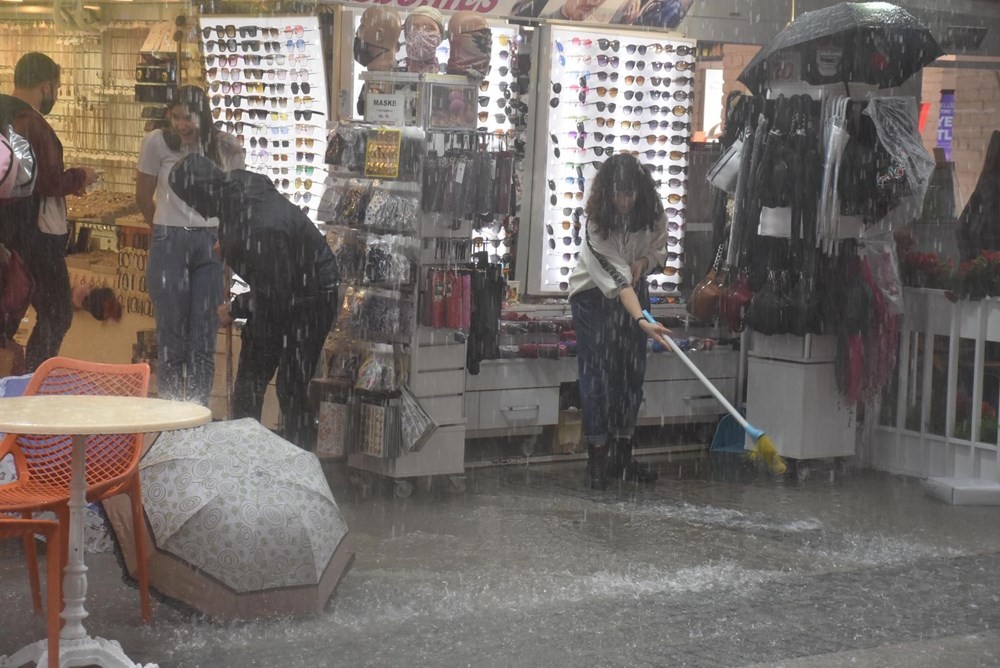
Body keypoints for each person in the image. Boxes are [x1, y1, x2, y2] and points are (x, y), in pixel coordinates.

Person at [168, 154, 340, 451]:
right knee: (249, 380)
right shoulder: (239, 182)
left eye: (189, 200)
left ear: (199, 196)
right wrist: (231, 240)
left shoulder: (259, 229)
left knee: (290, 386)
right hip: (282, 288)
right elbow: (248, 218)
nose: (191, 208)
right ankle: (243, 454)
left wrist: (234, 308)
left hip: (310, 297)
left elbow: (279, 292)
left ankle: (298, 460)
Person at [568, 154, 673, 490]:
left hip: (633, 294)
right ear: (607, 193)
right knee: (596, 376)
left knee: (630, 375)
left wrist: (644, 260)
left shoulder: (652, 214)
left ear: (639, 191)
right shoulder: (596, 225)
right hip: (593, 298)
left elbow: (660, 250)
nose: (625, 202)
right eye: (619, 195)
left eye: (630, 194)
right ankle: (597, 458)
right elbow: (618, 281)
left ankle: (623, 457)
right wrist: (641, 318)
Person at [135, 85, 243, 406]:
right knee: (171, 339)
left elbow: (235, 200)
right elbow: (142, 195)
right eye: (176, 117)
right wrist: (162, 229)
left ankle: (197, 416)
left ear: (204, 116)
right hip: (169, 239)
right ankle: (170, 418)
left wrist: (228, 242)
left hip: (210, 242)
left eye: (189, 117)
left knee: (203, 339)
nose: (182, 125)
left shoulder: (224, 146)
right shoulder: (156, 142)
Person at [0, 52, 99, 371]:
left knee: (12, 313)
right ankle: (31, 387)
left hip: (9, 233)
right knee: (57, 312)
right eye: (56, 87)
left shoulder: (5, 113)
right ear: (45, 86)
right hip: (32, 235)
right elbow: (47, 181)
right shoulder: (30, 122)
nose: (55, 94)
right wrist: (81, 176)